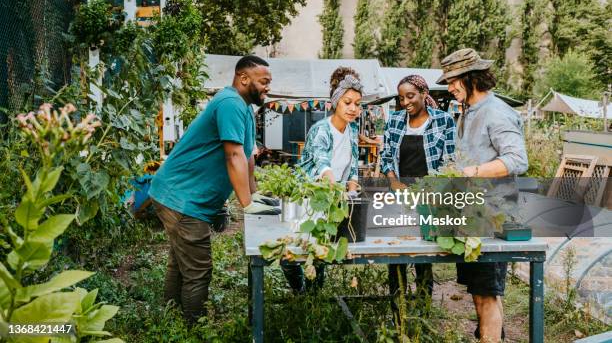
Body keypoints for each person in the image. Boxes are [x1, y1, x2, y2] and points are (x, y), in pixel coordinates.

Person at [148, 55, 274, 323]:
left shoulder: (244, 108)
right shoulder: (230, 103)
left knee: (180, 262)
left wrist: (253, 194)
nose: (268, 87)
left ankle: (170, 320)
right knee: (197, 270)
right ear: (243, 78)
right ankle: (194, 328)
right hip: (181, 198)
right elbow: (233, 155)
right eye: (263, 81)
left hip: (179, 195)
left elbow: (249, 156)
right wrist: (246, 204)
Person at [436, 48, 528, 342]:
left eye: (453, 81)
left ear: (471, 78)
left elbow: (517, 160)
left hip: (493, 217)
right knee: (479, 293)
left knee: (488, 295)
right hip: (472, 218)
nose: (449, 87)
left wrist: (472, 171)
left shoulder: (496, 111)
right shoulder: (467, 112)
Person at [379, 74, 456, 316]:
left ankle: (423, 310)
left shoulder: (443, 121)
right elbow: (387, 157)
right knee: (397, 252)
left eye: (410, 96)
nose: (405, 102)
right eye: (401, 98)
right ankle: (397, 309)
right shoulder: (394, 121)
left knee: (424, 252)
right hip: (400, 195)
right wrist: (393, 182)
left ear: (424, 94)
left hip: (430, 197)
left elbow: (451, 160)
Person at [282, 67, 363, 292]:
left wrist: (353, 192)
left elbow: (354, 164)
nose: (353, 108)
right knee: (293, 249)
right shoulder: (321, 130)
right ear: (336, 102)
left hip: (330, 199)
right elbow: (322, 163)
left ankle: (314, 298)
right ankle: (299, 292)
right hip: (307, 197)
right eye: (347, 102)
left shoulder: (352, 129)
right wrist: (334, 186)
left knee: (320, 248)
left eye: (357, 103)